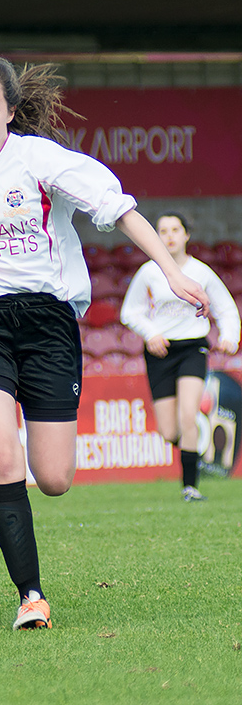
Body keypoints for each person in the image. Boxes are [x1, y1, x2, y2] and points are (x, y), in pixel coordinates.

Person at [0, 54, 210, 630]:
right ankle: (30, 596)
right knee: (0, 453)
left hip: (47, 325)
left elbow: (119, 210)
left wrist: (171, 270)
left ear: (10, 111)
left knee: (53, 479)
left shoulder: (41, 160)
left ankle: (32, 577)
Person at [121, 212, 240, 501]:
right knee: (168, 430)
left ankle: (190, 487)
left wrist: (229, 336)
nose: (170, 236)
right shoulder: (149, 272)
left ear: (186, 235)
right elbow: (129, 312)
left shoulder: (201, 272)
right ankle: (194, 448)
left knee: (189, 415)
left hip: (192, 348)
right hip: (160, 353)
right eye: (163, 231)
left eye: (175, 230)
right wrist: (150, 333)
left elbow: (225, 307)